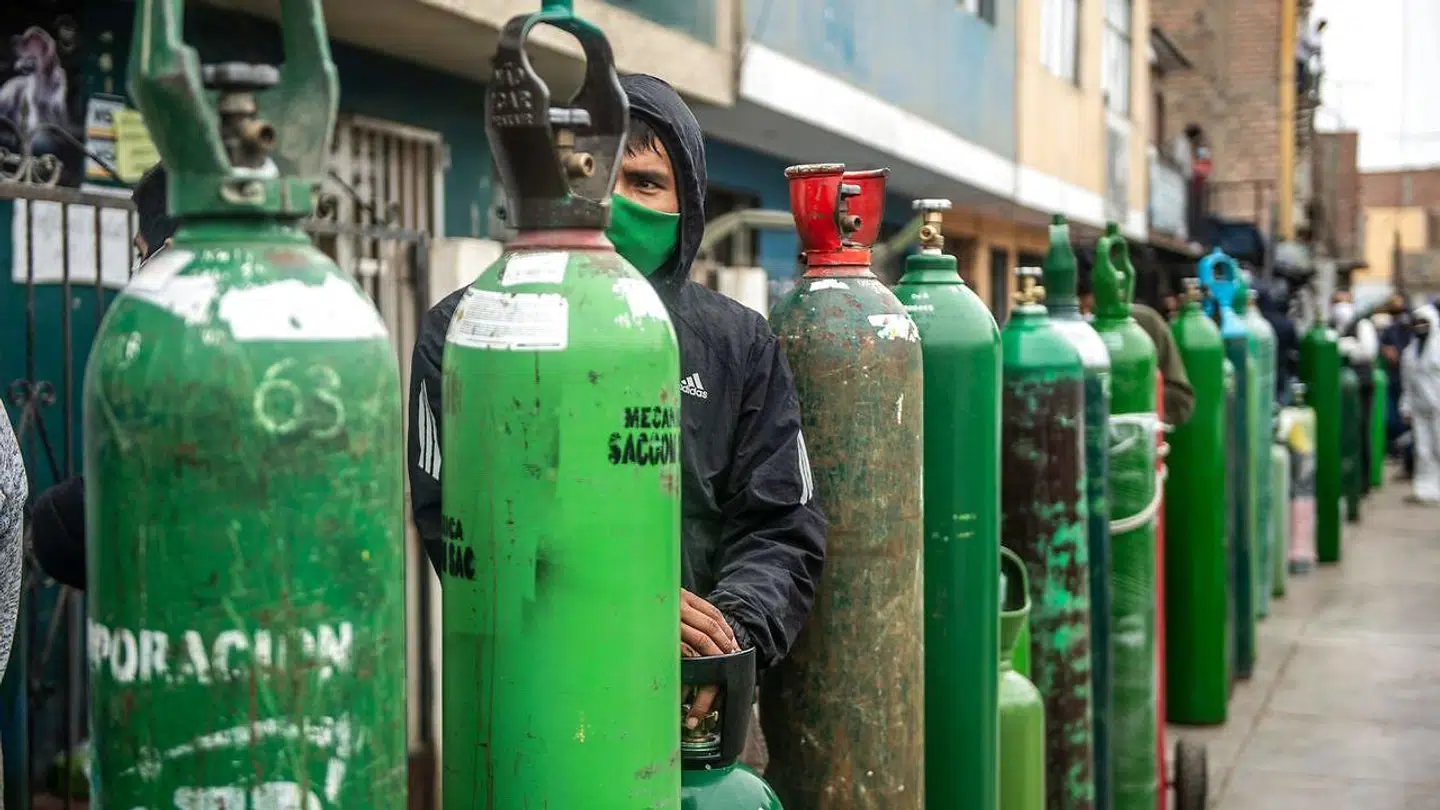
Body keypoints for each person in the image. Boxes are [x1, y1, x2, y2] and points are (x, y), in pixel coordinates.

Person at [407, 75, 827, 727]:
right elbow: (464, 527)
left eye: (646, 183)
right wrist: (623, 607)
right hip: (534, 703)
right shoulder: (472, 331)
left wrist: (725, 639)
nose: (616, 202)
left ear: (688, 207)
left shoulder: (737, 344)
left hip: (694, 707)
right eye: (599, 176)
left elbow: (781, 522)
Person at [28, 162, 176, 591]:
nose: (139, 269)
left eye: (141, 254)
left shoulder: (170, 350)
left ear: (170, 252)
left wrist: (54, 523)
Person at [1076, 248, 1195, 426]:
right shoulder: (1059, 333)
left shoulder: (1144, 325)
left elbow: (1181, 402)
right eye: (1079, 310)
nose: (1086, 315)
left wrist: (1133, 390)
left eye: (1088, 307)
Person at [1331, 290, 1379, 495]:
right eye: (1337, 302)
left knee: (1360, 430)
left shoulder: (1362, 325)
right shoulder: (1331, 326)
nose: (1340, 306)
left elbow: (1368, 351)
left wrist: (1347, 348)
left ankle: (1362, 481)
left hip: (1361, 385)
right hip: (1337, 388)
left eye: (1344, 301)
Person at [1399, 304, 1440, 504]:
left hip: (1438, 407)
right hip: (1420, 408)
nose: (1420, 326)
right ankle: (1426, 489)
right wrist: (1406, 407)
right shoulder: (1409, 352)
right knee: (1423, 451)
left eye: (1424, 322)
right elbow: (1407, 383)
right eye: (1417, 322)